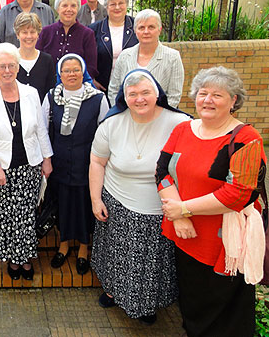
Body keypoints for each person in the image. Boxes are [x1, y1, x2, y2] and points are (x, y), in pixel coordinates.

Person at [157, 66, 267, 337]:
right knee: (192, 300)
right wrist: (179, 216)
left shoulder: (246, 139)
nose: (207, 100)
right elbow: (161, 172)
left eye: (217, 95)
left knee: (224, 311)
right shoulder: (183, 129)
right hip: (186, 234)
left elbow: (238, 193)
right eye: (203, 93)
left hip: (225, 243)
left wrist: (183, 209)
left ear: (233, 100)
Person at [89, 69, 191, 324]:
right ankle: (112, 291)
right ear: (124, 97)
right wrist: (95, 199)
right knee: (115, 255)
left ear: (157, 94)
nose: (139, 99)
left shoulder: (179, 123)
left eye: (145, 92)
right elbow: (97, 161)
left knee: (149, 263)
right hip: (117, 201)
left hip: (160, 208)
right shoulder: (112, 123)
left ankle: (146, 304)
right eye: (132, 94)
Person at [0, 43, 53, 281]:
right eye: (2, 66)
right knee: (8, 217)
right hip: (3, 168)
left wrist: (47, 159)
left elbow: (40, 129)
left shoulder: (31, 93)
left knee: (26, 216)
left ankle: (25, 259)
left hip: (30, 165)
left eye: (11, 65)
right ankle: (13, 259)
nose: (7, 70)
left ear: (18, 67)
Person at [42, 54, 108, 273]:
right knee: (62, 205)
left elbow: (105, 132)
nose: (71, 74)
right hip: (59, 163)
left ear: (83, 72)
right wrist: (46, 160)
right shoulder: (51, 97)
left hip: (86, 164)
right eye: (66, 70)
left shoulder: (98, 98)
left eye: (76, 70)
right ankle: (63, 245)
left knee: (83, 206)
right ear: (60, 74)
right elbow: (42, 130)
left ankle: (83, 248)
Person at [108, 9, 184, 107]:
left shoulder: (173, 58)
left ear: (159, 29)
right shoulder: (124, 56)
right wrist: (121, 111)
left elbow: (174, 96)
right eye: (141, 28)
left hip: (160, 115)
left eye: (151, 27)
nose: (146, 31)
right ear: (135, 31)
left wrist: (157, 114)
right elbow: (113, 90)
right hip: (127, 113)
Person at [36, 0, 98, 78]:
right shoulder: (46, 32)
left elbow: (91, 67)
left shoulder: (87, 34)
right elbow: (38, 62)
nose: (69, 9)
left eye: (73, 6)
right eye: (64, 5)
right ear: (57, 8)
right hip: (48, 83)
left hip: (77, 84)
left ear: (78, 9)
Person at [88, 0, 138, 92]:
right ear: (106, 6)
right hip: (102, 87)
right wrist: (91, 80)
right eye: (113, 4)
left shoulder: (137, 26)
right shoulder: (93, 30)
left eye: (121, 3)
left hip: (132, 86)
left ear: (127, 4)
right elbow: (85, 58)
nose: (117, 7)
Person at [14, 12, 54, 101]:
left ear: (38, 34)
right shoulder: (10, 59)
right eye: (24, 32)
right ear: (17, 35)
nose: (29, 36)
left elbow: (50, 92)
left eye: (32, 32)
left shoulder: (47, 60)